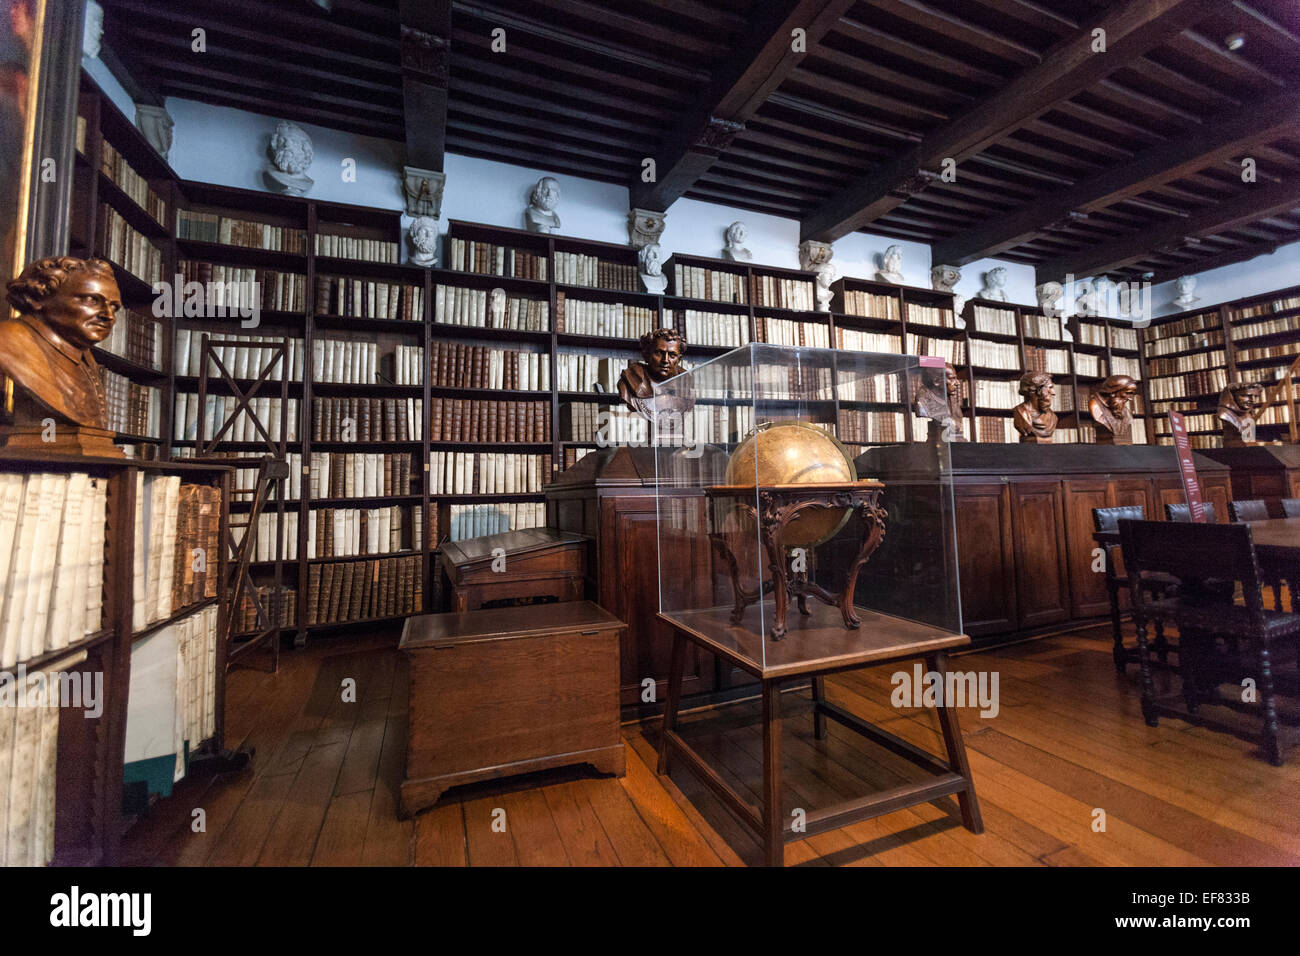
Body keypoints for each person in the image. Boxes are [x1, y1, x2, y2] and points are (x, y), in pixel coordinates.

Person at [1, 256, 120, 427]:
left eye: (114, 307)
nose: (108, 316)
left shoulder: (85, 357)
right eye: (90, 300)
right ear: (38, 299)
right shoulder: (8, 340)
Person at [617, 328, 687, 421]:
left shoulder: (686, 382)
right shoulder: (630, 380)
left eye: (672, 355)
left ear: (679, 359)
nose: (665, 360)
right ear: (647, 355)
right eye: (659, 353)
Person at [1089, 374, 1139, 445]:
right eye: (1128, 393)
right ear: (1113, 392)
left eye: (1132, 394)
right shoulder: (1095, 406)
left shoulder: (1125, 410)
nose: (1130, 398)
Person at [1012, 371, 1057, 443]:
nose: (1053, 392)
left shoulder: (1052, 417)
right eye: (1050, 387)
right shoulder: (1021, 413)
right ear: (1038, 390)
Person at [1217, 380, 1265, 446]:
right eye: (1246, 396)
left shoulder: (1248, 414)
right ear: (1232, 396)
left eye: (1255, 396)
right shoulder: (1224, 414)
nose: (1253, 400)